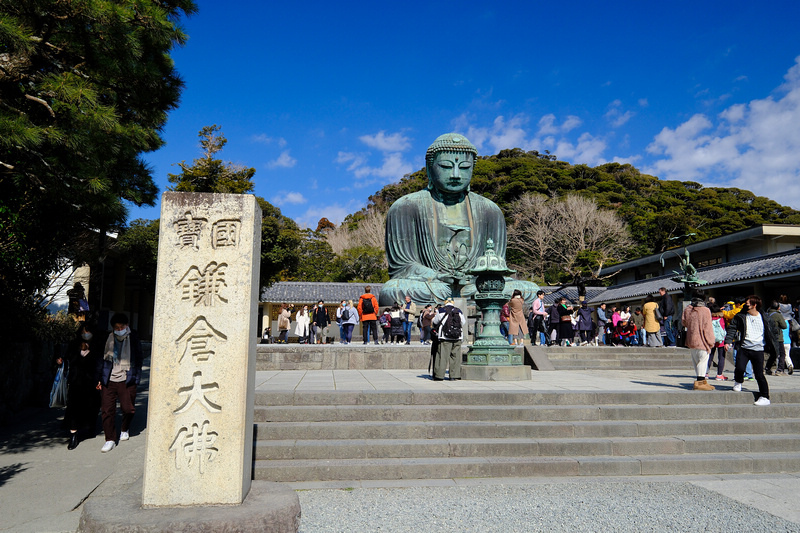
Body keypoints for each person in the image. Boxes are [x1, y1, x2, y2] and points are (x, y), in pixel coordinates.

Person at [379, 133, 539, 307]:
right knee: (394, 289)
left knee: (528, 290)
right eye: (446, 166)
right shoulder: (405, 206)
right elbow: (402, 267)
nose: (455, 175)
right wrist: (437, 276)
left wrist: (474, 279)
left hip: (475, 285)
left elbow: (498, 267)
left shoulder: (490, 210)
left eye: (464, 167)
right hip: (433, 284)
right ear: (429, 168)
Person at [96, 313, 143, 453]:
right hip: (108, 378)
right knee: (107, 410)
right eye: (117, 327)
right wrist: (98, 378)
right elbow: (100, 359)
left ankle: (124, 428)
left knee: (128, 409)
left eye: (122, 326)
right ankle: (109, 439)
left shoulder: (133, 338)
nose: (120, 329)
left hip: (126, 378)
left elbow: (139, 358)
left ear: (127, 325)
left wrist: (136, 378)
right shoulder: (107, 338)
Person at [724, 295, 778, 406]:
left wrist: (774, 345)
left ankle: (765, 397)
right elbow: (732, 328)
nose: (746, 305)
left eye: (748, 303)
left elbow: (774, 332)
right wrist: (728, 341)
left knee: (759, 374)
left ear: (755, 305)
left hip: (758, 349)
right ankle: (738, 381)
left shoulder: (765, 317)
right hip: (744, 347)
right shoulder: (741, 316)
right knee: (739, 368)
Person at [59, 322, 101, 450]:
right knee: (73, 408)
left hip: (91, 383)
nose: (85, 334)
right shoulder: (74, 345)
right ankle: (73, 435)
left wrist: (99, 380)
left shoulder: (97, 345)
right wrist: (60, 360)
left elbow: (100, 364)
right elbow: (67, 358)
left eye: (87, 331)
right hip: (76, 382)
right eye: (83, 331)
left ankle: (89, 428)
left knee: (91, 407)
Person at [681, 294, 716, 391]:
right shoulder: (705, 310)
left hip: (691, 339)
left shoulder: (688, 309)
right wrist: (711, 341)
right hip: (702, 340)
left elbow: (683, 322)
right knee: (702, 361)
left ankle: (702, 381)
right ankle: (700, 382)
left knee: (696, 361)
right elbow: (707, 328)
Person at [432, 298, 466, 381]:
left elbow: (435, 321)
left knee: (442, 356)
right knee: (455, 356)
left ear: (445, 303)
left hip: (445, 337)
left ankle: (439, 375)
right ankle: (454, 375)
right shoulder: (458, 311)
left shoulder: (441, 310)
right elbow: (463, 322)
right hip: (457, 337)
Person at [765, 301, 789, 376]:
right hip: (778, 337)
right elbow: (784, 326)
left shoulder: (767, 314)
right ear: (778, 307)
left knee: (773, 354)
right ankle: (780, 370)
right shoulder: (778, 315)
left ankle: (767, 368)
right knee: (782, 354)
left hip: (769, 337)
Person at [707, 304, 728, 380]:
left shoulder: (709, 318)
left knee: (709, 356)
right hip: (721, 340)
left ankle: (706, 373)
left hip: (711, 340)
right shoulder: (722, 318)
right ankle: (719, 374)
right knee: (721, 357)